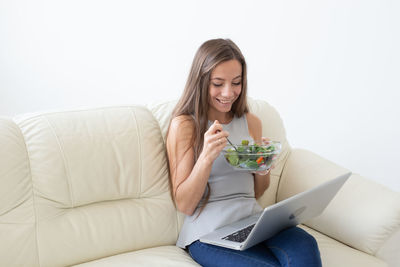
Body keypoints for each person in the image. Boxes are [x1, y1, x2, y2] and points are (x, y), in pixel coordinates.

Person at [166, 38, 322, 267]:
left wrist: (263, 167)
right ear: (201, 82)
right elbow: (185, 205)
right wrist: (206, 157)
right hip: (208, 233)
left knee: (305, 246)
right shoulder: (185, 126)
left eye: (236, 82)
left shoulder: (251, 122)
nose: (228, 93)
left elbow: (258, 192)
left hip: (255, 222)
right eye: (218, 83)